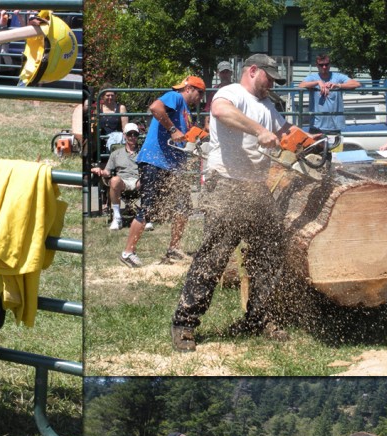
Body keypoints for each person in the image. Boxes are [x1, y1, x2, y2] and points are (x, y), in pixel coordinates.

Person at [170, 54, 292, 352]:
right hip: (226, 184)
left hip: (256, 187)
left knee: (268, 253)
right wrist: (259, 131)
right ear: (253, 71)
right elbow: (221, 111)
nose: (272, 83)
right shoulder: (232, 94)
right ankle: (184, 323)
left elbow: (285, 133)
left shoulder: (268, 106)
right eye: (269, 77)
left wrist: (308, 141)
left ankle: (259, 318)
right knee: (214, 256)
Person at [120, 76, 203, 268]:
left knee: (183, 207)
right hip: (155, 161)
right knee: (147, 207)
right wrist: (173, 130)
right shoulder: (175, 97)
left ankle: (173, 250)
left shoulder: (186, 111)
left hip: (173, 165)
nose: (200, 98)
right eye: (200, 93)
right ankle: (128, 252)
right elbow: (155, 107)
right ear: (189, 88)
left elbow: (184, 136)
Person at [91, 122, 141, 230]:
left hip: (138, 180)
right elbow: (107, 172)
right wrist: (100, 170)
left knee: (148, 180)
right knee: (114, 180)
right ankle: (117, 217)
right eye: (129, 134)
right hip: (122, 182)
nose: (132, 137)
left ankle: (146, 216)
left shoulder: (143, 153)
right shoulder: (116, 154)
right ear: (124, 135)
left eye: (135, 134)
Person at [297, 54, 359, 135]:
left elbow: (356, 84)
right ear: (317, 66)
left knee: (335, 148)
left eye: (326, 64)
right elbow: (300, 85)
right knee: (315, 147)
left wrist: (338, 85)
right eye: (321, 65)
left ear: (330, 65)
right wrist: (318, 82)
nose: (324, 67)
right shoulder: (312, 77)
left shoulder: (337, 77)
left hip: (335, 126)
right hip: (316, 126)